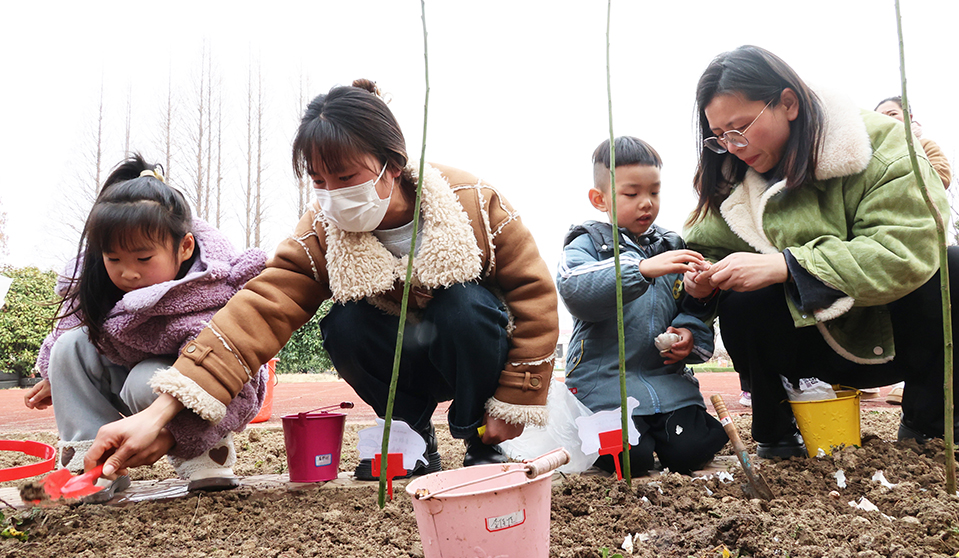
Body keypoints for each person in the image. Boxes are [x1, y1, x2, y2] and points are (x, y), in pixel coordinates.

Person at [82, 80, 559, 481]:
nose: (332, 194)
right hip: (403, 360)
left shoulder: (472, 202)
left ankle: (480, 440)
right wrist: (160, 411)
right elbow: (260, 310)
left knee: (464, 307)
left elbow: (533, 295)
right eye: (318, 180)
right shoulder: (322, 232)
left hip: (472, 350)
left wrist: (517, 396)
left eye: (346, 176)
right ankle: (410, 437)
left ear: (393, 165)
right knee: (346, 323)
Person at [682, 45, 959, 459]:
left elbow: (905, 248)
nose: (733, 145)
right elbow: (702, 248)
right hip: (808, 341)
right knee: (743, 300)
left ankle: (933, 422)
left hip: (900, 329)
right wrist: (700, 284)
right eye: (720, 136)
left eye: (740, 127)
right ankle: (776, 434)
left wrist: (787, 265)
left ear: (788, 103)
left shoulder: (882, 144)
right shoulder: (732, 173)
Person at [25, 154, 268, 500]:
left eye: (143, 259)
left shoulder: (209, 292)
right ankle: (94, 464)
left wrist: (177, 433)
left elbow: (236, 379)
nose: (128, 273)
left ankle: (206, 458)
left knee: (148, 377)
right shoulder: (101, 276)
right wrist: (56, 372)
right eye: (114, 260)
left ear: (184, 247)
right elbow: (73, 320)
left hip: (190, 387)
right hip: (129, 368)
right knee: (69, 348)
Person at [556, 136, 727, 475]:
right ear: (599, 198)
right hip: (604, 385)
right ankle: (597, 430)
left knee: (692, 451)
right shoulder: (587, 243)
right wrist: (641, 269)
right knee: (630, 460)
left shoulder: (672, 244)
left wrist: (690, 333)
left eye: (654, 192)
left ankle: (668, 429)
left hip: (665, 380)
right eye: (631, 194)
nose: (646, 203)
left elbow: (691, 308)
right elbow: (574, 287)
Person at [872, 95, 954, 404]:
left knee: (927, 309)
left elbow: (942, 177)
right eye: (882, 116)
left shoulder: (925, 146)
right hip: (885, 240)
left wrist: (911, 151)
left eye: (894, 113)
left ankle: (914, 386)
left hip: (925, 240)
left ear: (908, 117)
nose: (888, 119)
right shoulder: (873, 152)